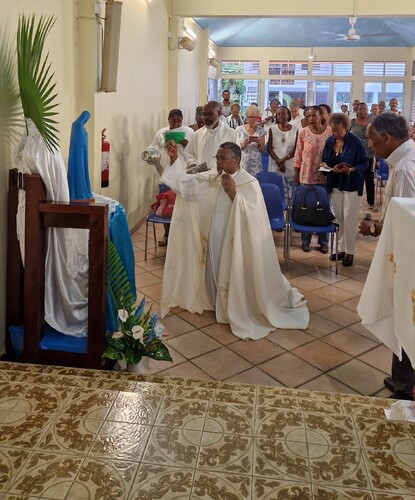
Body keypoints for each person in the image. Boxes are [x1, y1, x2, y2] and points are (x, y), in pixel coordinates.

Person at [159, 141, 310, 339]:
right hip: (212, 235)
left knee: (231, 267)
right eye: (217, 158)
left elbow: (255, 217)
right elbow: (185, 185)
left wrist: (233, 193)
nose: (218, 162)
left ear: (237, 159)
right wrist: (173, 158)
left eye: (223, 158)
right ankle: (215, 301)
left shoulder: (249, 183)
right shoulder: (212, 176)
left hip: (235, 239)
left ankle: (232, 304)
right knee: (213, 266)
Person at [358, 113, 415, 400]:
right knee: (403, 316)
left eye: (372, 139)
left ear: (387, 138)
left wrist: (376, 227)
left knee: (406, 315)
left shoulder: (405, 168)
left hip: (409, 258)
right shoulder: (401, 161)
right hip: (405, 252)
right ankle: (401, 378)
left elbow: (407, 222)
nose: (370, 145)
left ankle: (406, 388)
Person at [321, 113, 368, 267]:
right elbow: (326, 159)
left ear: (346, 128)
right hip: (334, 183)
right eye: (333, 131)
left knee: (349, 218)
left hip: (351, 184)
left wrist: (351, 169)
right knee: (338, 217)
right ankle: (340, 249)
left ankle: (349, 252)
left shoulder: (356, 142)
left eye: (339, 132)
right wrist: (324, 165)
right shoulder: (329, 141)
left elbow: (364, 164)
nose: (336, 134)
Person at [150, 109, 195, 246]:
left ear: (182, 120)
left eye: (178, 121)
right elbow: (153, 150)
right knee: (166, 207)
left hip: (183, 175)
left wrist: (186, 145)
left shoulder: (189, 132)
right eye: (173, 121)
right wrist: (162, 148)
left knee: (182, 207)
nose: (176, 124)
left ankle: (182, 237)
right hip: (166, 175)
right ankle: (166, 234)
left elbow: (195, 151)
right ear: (168, 120)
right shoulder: (161, 133)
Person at [293, 105, 331, 253]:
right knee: (306, 209)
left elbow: (334, 156)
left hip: (324, 178)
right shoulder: (303, 132)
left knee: (323, 209)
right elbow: (298, 154)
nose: (310, 119)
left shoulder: (329, 133)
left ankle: (324, 241)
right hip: (306, 175)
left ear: (321, 116)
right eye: (307, 116)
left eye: (313, 115)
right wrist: (296, 174)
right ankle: (305, 241)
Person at [185, 101, 236, 171]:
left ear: (219, 113)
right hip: (200, 176)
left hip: (221, 175)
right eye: (204, 114)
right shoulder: (198, 134)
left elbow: (236, 158)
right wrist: (193, 164)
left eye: (210, 114)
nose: (206, 118)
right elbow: (189, 153)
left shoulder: (231, 134)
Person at [349, 102, 376, 211]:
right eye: (360, 109)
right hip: (354, 155)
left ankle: (371, 202)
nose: (362, 111)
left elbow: (378, 134)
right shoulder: (352, 122)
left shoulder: (373, 121)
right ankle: (353, 201)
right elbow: (346, 136)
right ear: (357, 110)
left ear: (367, 110)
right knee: (355, 178)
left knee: (369, 178)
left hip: (369, 155)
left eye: (364, 109)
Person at [268, 106, 298, 199]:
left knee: (290, 194)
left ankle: (289, 208)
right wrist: (279, 161)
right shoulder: (272, 129)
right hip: (275, 164)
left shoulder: (295, 129)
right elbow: (269, 148)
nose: (281, 116)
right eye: (278, 114)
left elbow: (296, 149)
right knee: (276, 193)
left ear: (288, 115)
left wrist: (283, 160)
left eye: (283, 113)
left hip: (289, 164)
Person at [235, 104, 266, 176]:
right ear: (246, 116)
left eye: (254, 117)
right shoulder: (239, 129)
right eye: (249, 117)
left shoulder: (260, 130)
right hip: (243, 164)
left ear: (257, 117)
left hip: (255, 165)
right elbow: (235, 149)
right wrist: (244, 144)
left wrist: (258, 143)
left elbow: (262, 150)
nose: (251, 120)